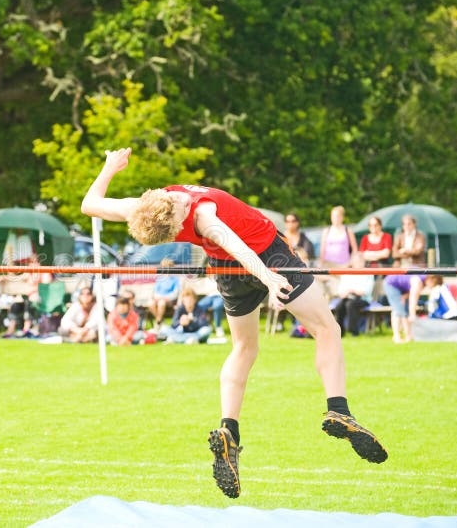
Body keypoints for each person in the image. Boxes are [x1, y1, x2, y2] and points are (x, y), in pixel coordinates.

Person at [81, 147, 387, 499]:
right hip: (263, 256)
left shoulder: (152, 208)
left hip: (228, 270)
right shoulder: (195, 214)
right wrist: (271, 279)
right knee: (326, 329)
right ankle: (339, 411)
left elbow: (92, 203)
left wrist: (109, 168)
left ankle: (230, 429)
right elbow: (239, 247)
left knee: (244, 347)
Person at [332, 253, 374, 337]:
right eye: (356, 261)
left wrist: (353, 290)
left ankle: (354, 331)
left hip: (363, 299)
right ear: (352, 262)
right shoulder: (347, 274)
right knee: (339, 306)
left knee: (350, 304)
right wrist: (344, 293)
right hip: (348, 297)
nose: (359, 263)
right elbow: (341, 291)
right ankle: (340, 331)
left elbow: (367, 291)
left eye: (360, 261)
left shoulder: (368, 273)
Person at [383, 273, 425, 343]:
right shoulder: (417, 281)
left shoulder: (421, 279)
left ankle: (408, 335)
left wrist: (404, 297)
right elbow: (413, 298)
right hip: (391, 284)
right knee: (398, 311)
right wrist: (412, 314)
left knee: (404, 312)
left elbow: (411, 293)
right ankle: (396, 336)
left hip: (402, 288)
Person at [146, 258, 181, 330]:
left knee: (161, 303)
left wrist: (164, 298)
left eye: (169, 267)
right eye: (164, 267)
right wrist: (158, 297)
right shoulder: (160, 279)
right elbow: (155, 292)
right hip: (159, 299)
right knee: (150, 303)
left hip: (169, 301)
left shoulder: (175, 279)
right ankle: (160, 320)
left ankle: (158, 323)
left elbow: (175, 293)